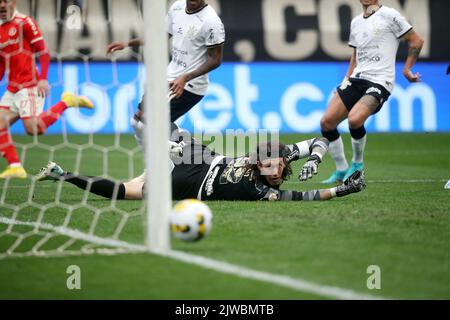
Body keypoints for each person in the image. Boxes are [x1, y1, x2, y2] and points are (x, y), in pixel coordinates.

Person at [35, 126, 366, 201]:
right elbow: (303, 197)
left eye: (280, 167)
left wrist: (318, 160)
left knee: (126, 191)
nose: (277, 172)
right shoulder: (260, 180)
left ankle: (64, 175)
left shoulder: (266, 170)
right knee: (175, 140)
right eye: (272, 167)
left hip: (190, 178)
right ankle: (165, 140)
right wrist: (338, 190)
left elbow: (318, 140)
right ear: (259, 163)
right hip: (199, 164)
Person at [320, 0, 424, 184]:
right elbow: (355, 57)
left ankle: (357, 165)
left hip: (380, 80)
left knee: (355, 119)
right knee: (327, 122)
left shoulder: (390, 15)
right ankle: (341, 169)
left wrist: (407, 69)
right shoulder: (356, 22)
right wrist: (345, 80)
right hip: (357, 78)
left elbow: (416, 40)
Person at [106, 0, 225, 147]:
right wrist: (128, 43)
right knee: (137, 123)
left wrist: (185, 78)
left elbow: (216, 60)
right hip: (168, 78)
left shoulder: (211, 21)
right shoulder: (177, 7)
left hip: (190, 85)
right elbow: (159, 36)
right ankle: (153, 167)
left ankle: (187, 149)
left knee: (149, 125)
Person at [0, 0, 94, 179]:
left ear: (12, 2)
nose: (2, 5)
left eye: (5, 1)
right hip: (12, 89)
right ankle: (15, 166)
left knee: (33, 129)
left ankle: (66, 102)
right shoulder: (0, 29)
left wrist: (43, 79)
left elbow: (43, 51)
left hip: (29, 85)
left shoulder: (25, 22)